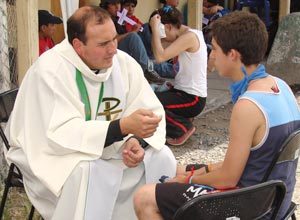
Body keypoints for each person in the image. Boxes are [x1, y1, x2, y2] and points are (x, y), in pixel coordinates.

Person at [5, 6, 176, 220]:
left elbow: (149, 111)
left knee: (162, 157)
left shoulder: (122, 63)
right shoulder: (50, 71)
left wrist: (136, 140)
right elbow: (59, 133)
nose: (113, 49)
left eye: (114, 39)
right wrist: (122, 128)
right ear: (78, 45)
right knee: (87, 173)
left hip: (115, 149)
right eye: (103, 44)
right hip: (52, 152)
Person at [133, 11, 300, 220]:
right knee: (178, 167)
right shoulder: (281, 86)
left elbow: (228, 179)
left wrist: (187, 181)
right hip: (274, 202)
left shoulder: (249, 105)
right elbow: (255, 160)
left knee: (145, 197)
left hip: (248, 207)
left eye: (216, 50)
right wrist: (195, 172)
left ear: (233, 55)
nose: (211, 55)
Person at [149, 6, 207, 146]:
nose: (163, 37)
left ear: (168, 27)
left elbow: (160, 56)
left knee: (154, 104)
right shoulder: (187, 34)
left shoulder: (190, 37)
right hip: (183, 93)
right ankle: (182, 119)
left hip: (193, 99)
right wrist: (156, 30)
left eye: (163, 32)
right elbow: (159, 47)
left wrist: (156, 29)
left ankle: (182, 128)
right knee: (150, 96)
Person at [100, 0, 170, 83]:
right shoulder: (103, 18)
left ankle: (156, 57)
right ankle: (148, 69)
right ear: (105, 5)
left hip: (125, 50)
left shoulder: (116, 17)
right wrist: (132, 32)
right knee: (133, 37)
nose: (117, 7)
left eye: (118, 3)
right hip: (111, 49)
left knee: (146, 27)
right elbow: (112, 40)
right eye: (113, 4)